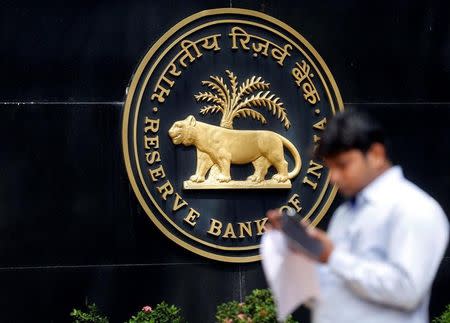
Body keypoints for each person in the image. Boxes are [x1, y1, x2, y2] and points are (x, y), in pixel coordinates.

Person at [266, 111, 449, 323]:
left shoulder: (414, 208)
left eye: (342, 165)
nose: (334, 177)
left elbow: (406, 290)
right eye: (330, 167)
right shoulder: (344, 215)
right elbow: (329, 293)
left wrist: (332, 257)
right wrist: (301, 252)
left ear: (376, 155)